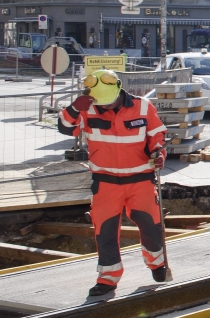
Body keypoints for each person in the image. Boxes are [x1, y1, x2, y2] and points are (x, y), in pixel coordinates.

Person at [59, 69, 169, 299]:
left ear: (119, 88)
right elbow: (65, 128)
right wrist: (73, 108)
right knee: (105, 232)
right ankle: (107, 279)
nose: (106, 107)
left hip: (140, 180)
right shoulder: (87, 109)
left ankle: (158, 266)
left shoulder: (142, 106)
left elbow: (156, 135)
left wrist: (158, 152)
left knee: (151, 226)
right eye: (103, 103)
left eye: (109, 102)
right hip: (106, 183)